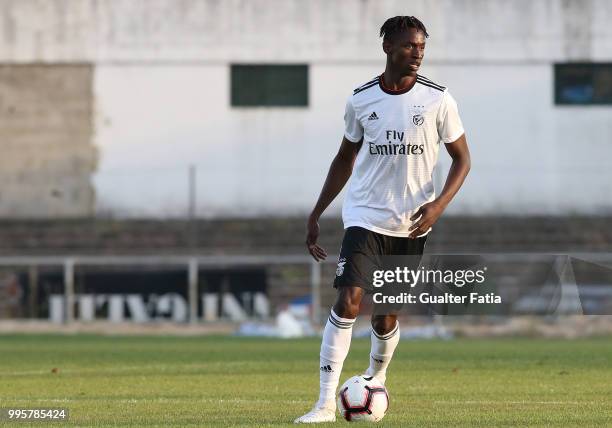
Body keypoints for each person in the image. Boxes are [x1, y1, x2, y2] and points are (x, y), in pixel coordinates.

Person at [294, 15, 471, 424]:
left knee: (386, 316)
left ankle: (376, 378)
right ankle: (323, 404)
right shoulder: (361, 99)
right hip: (364, 216)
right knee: (348, 299)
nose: (418, 53)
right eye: (410, 45)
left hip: (411, 225)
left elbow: (463, 159)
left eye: (423, 47)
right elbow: (345, 158)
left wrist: (440, 204)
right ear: (388, 45)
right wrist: (317, 211)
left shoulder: (438, 99)